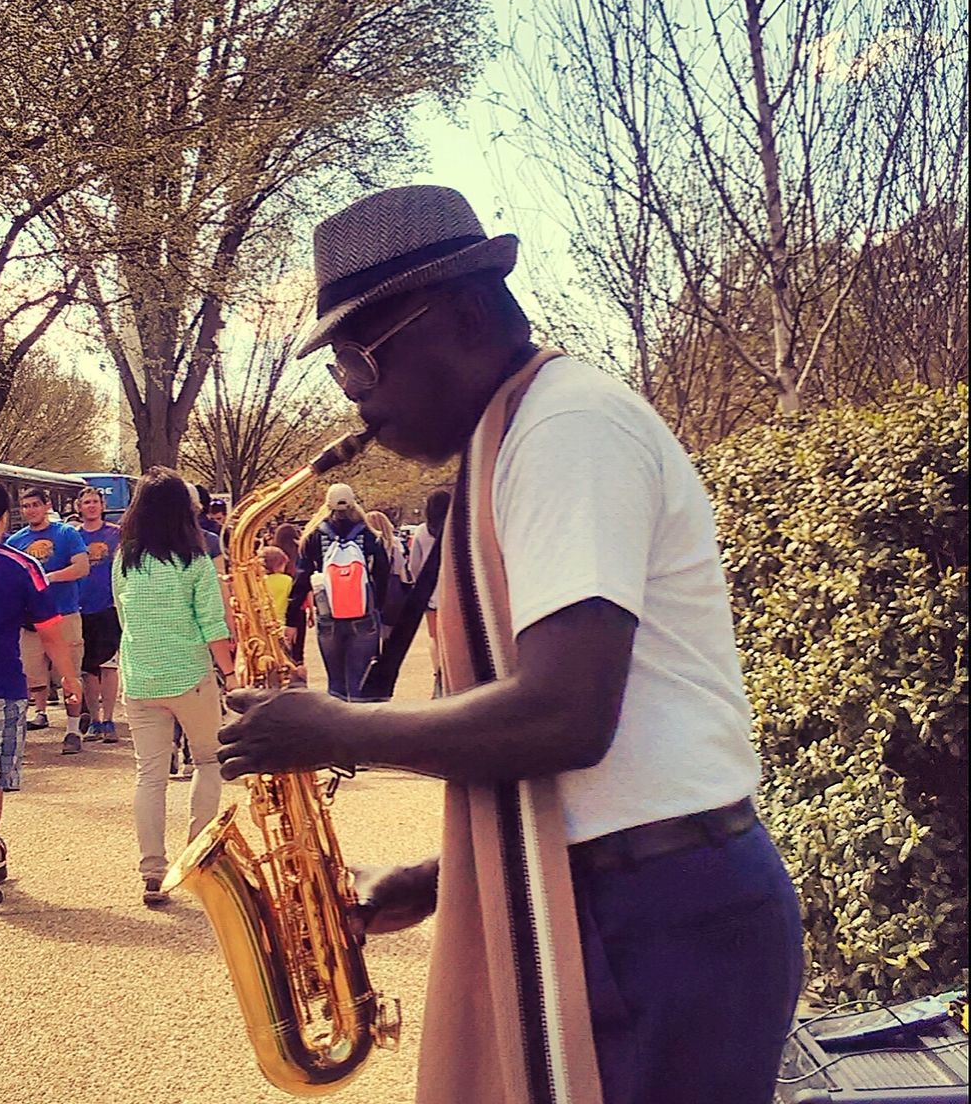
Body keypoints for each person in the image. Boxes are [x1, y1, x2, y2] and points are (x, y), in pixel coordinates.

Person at [217, 185, 804, 1104]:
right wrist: (443, 877)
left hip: (660, 922)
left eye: (359, 360)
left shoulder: (564, 431)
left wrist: (333, 727)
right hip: (639, 900)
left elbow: (567, 716)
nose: (353, 396)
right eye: (339, 372)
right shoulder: (526, 433)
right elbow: (605, 774)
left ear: (460, 310)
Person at [0, 479, 82, 911]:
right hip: (1, 687)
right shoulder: (22, 565)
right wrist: (69, 678)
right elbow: (51, 633)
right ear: (4, 517)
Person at [112, 467, 235, 906]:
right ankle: (195, 857)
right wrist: (232, 675)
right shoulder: (195, 560)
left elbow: (124, 618)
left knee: (150, 775)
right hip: (191, 677)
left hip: (141, 678)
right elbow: (212, 626)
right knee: (208, 760)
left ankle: (152, 867)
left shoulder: (125, 557)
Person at [284, 484, 389, 702]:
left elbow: (301, 579)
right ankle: (360, 729)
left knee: (336, 683)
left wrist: (292, 619)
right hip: (363, 613)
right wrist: (376, 606)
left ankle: (338, 728)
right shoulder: (369, 534)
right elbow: (383, 573)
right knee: (359, 680)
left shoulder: (313, 536)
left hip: (328, 613)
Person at [6, 486, 89, 751]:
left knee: (69, 675)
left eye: (35, 505)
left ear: (47, 505)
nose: (31, 510)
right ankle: (39, 714)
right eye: (26, 506)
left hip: (64, 613)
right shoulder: (15, 542)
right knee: (31, 675)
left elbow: (82, 567)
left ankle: (74, 730)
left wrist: (48, 577)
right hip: (30, 621)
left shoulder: (67, 534)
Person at [74, 487, 122, 743]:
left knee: (109, 665)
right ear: (78, 507)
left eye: (95, 502)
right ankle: (94, 720)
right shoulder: (73, 536)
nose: (91, 506)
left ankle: (110, 719)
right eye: (86, 502)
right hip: (80, 609)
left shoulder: (117, 534)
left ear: (102, 505)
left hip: (109, 608)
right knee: (88, 669)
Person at [407, 489, 450, 694]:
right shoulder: (457, 528)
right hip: (454, 592)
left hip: (431, 592)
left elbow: (414, 564)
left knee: (434, 637)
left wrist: (419, 583)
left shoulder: (422, 532)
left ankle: (438, 673)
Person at [365, 509, 412, 643]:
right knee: (389, 633)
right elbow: (401, 569)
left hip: (371, 588)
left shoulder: (367, 544)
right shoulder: (395, 544)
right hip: (392, 589)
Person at [272, 522, 307, 664]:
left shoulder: (274, 555)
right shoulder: (300, 554)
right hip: (298, 609)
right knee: (297, 650)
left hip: (275, 614)